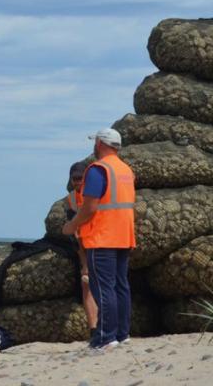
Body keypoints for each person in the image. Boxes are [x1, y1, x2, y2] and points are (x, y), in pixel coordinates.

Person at [62, 128, 136, 350]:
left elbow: (90, 207)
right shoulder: (125, 170)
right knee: (121, 286)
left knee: (103, 288)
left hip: (102, 236)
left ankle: (105, 337)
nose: (93, 146)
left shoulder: (98, 170)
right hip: (124, 235)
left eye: (95, 142)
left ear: (101, 144)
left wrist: (71, 225)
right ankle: (122, 334)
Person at [66, 161, 98, 337]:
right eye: (74, 179)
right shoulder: (71, 200)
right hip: (85, 245)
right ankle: (94, 329)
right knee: (86, 284)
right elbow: (75, 234)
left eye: (80, 178)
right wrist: (84, 263)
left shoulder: (95, 194)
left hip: (101, 243)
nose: (77, 182)